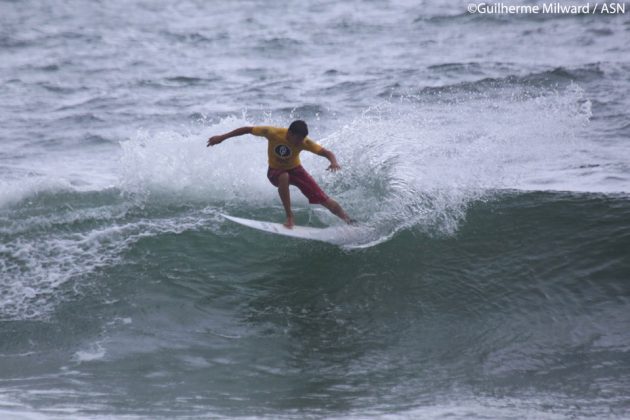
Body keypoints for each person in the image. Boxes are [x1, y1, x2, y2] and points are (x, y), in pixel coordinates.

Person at [207, 120, 351, 229]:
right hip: (275, 172)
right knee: (284, 176)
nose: (300, 142)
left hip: (296, 170)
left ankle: (349, 221)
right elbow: (247, 129)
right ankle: (289, 217)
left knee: (323, 198)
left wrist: (333, 162)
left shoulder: (304, 142)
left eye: (302, 140)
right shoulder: (273, 133)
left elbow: (326, 152)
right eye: (298, 139)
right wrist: (222, 137)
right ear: (290, 133)